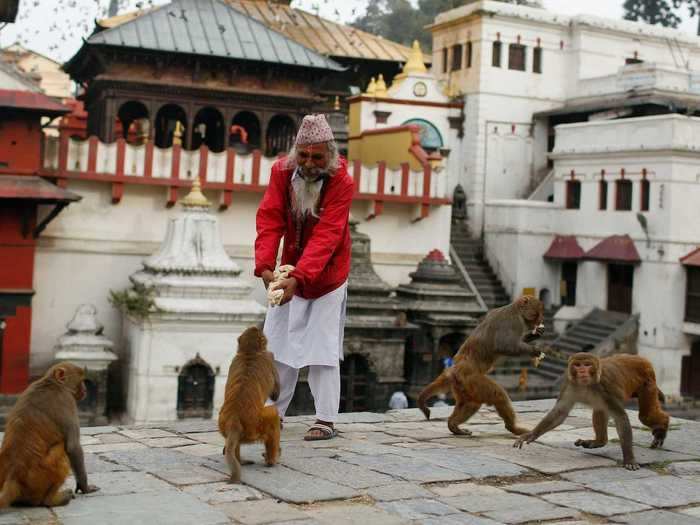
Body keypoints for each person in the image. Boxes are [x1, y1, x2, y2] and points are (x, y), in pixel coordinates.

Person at [254, 114, 353, 441]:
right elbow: (270, 219)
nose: (309, 164)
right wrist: (266, 267)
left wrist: (300, 277)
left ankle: (325, 419)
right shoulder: (281, 171)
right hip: (288, 271)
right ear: (296, 152)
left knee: (322, 348)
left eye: (317, 157)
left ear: (330, 155)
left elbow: (329, 234)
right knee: (278, 343)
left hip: (328, 276)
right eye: (304, 155)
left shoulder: (341, 180)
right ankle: (273, 414)